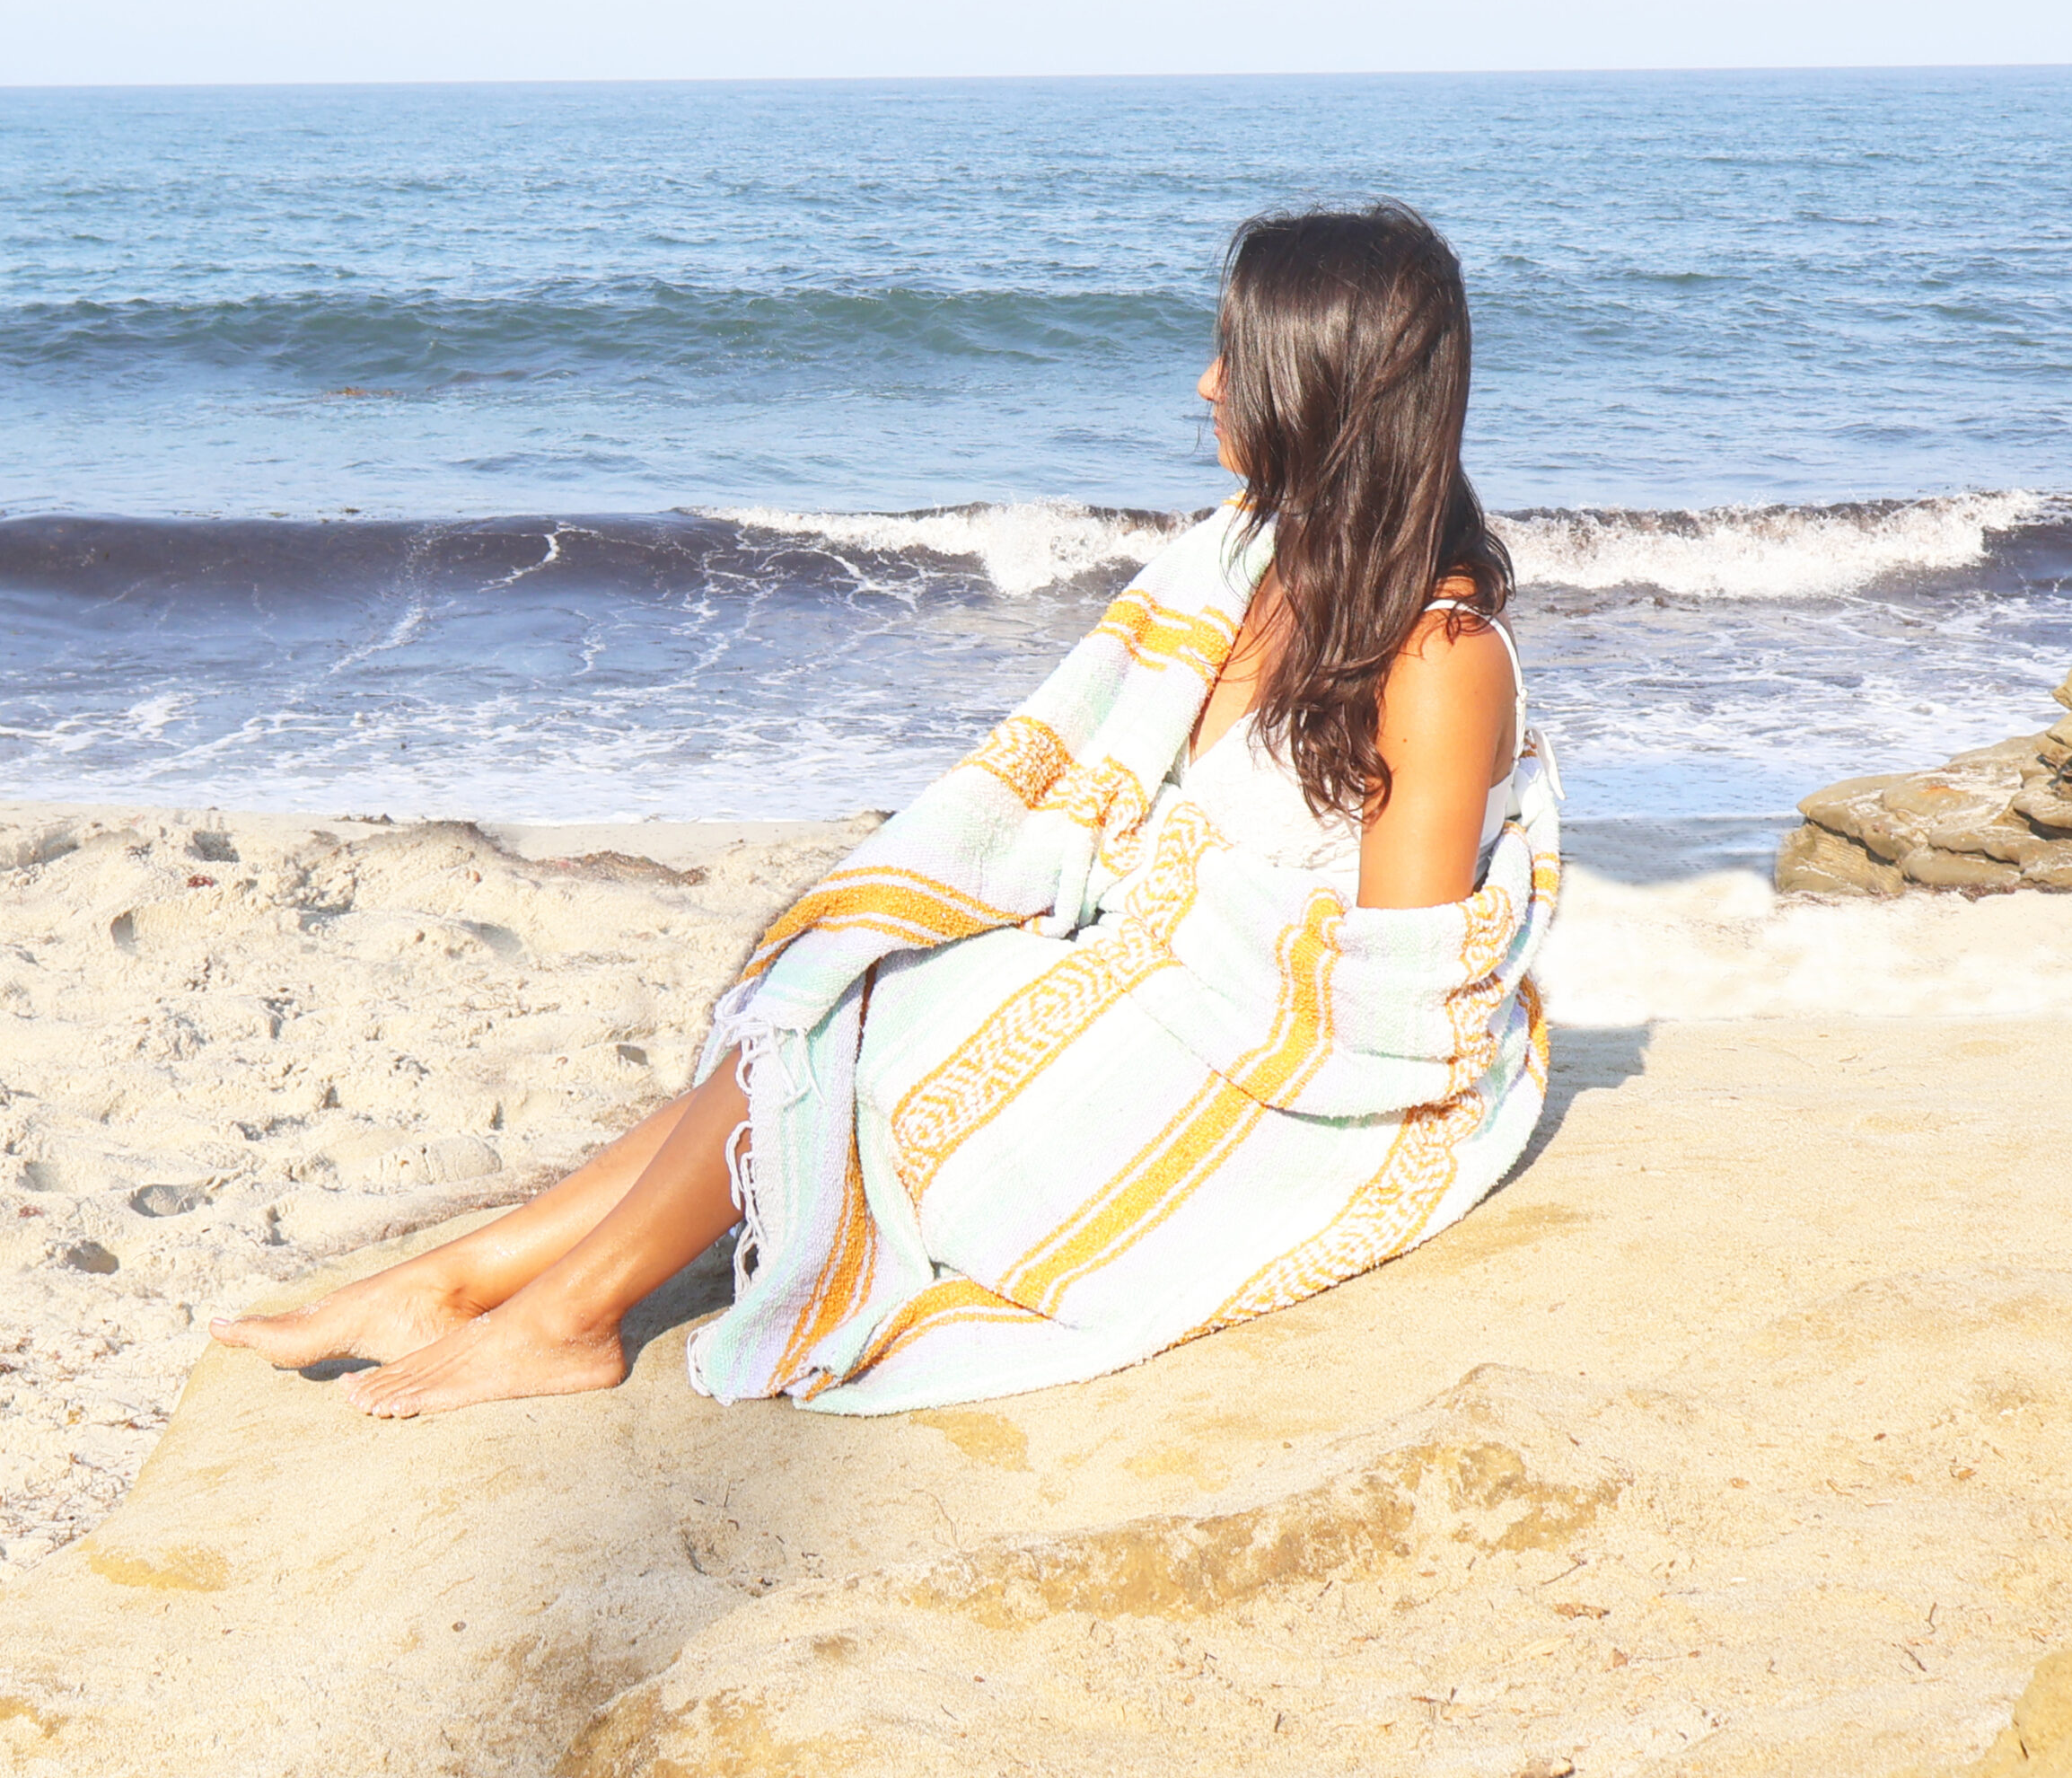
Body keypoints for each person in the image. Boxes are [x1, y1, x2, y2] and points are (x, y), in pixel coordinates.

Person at [213, 201, 1561, 1418]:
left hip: (1263, 1066)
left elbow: (1397, 1003)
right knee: (848, 969)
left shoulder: (1437, 662)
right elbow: (1096, 762)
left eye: (1238, 356)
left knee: (849, 1027)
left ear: (1329, 391)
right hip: (1155, 977)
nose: (1206, 383)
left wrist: (1137, 976)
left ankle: (566, 1318)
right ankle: (460, 1281)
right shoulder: (1249, 559)